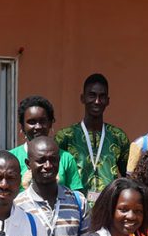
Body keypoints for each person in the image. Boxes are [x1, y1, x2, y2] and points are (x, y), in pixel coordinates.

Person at [55, 73, 131, 203]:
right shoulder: (65, 136)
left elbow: (128, 177)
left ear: (108, 101)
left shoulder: (118, 137)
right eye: (92, 95)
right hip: (73, 206)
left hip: (108, 209)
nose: (97, 101)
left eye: (102, 97)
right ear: (82, 98)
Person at [8, 95, 84, 193]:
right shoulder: (12, 157)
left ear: (50, 124)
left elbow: (76, 197)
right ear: (22, 126)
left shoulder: (66, 158)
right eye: (32, 122)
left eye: (42, 121)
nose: (38, 127)